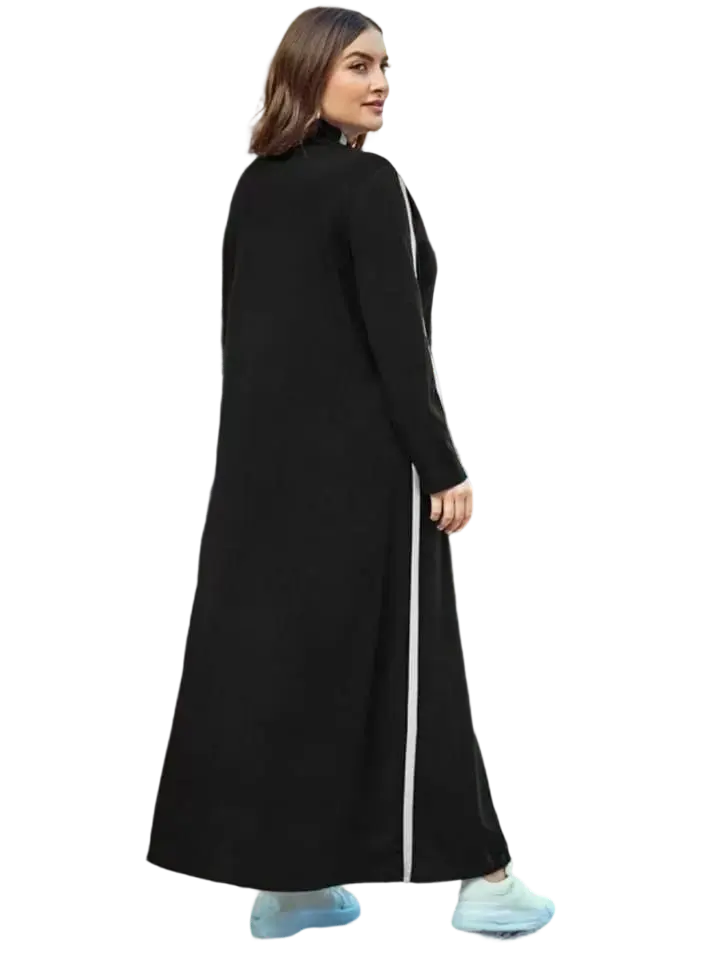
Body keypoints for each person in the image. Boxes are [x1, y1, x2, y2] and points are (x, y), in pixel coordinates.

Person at [147, 5, 555, 944]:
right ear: (309, 73)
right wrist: (444, 465)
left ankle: (292, 885)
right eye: (358, 66)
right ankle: (483, 879)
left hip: (265, 481)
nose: (378, 84)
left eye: (384, 68)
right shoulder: (372, 188)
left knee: (295, 672)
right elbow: (398, 345)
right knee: (417, 671)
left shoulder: (255, 189)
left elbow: (249, 348)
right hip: (371, 474)